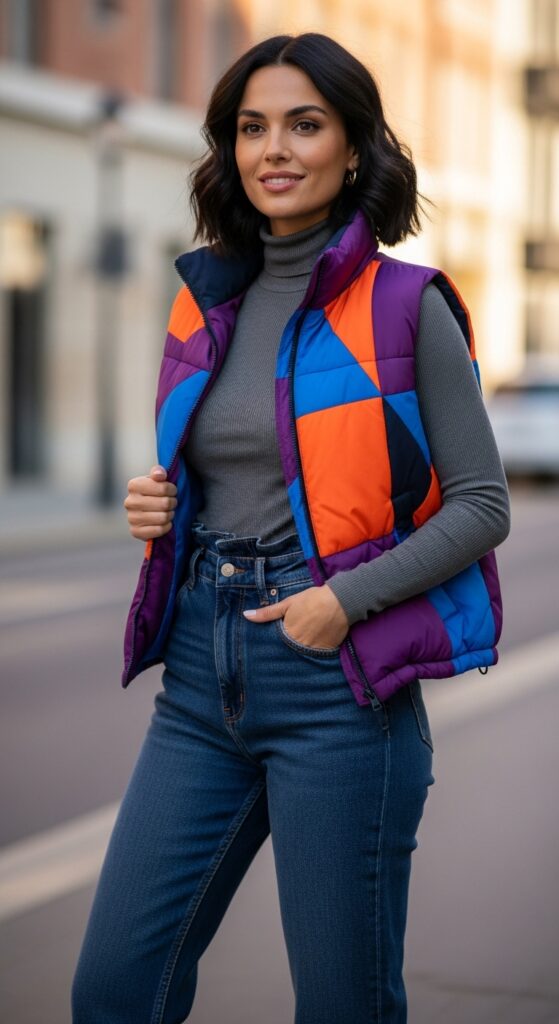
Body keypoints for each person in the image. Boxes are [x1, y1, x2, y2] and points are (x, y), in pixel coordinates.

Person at [72, 32, 511, 1024]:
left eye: (303, 124)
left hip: (339, 687)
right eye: (251, 126)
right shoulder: (205, 300)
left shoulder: (406, 305)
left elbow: (483, 504)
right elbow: (237, 469)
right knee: (112, 991)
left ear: (353, 147)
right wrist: (160, 508)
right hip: (197, 680)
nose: (273, 147)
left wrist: (340, 603)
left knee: (343, 1007)